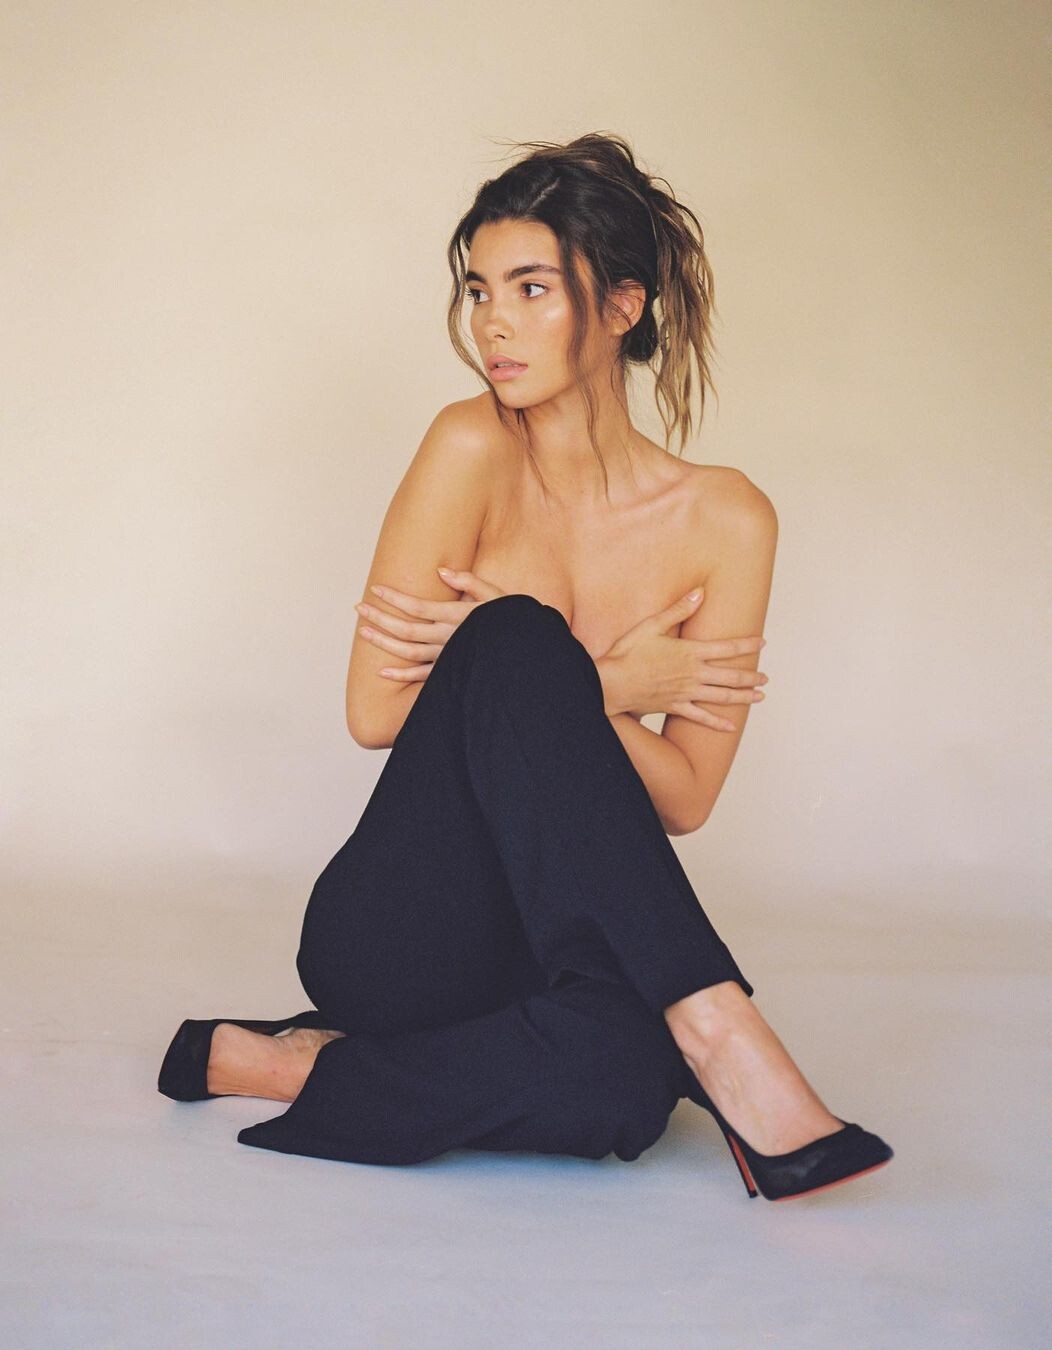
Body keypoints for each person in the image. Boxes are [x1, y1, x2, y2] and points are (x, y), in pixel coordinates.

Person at [157, 132, 892, 1200]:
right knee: (513, 636)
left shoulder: (728, 520)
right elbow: (375, 710)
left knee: (627, 1088)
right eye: (478, 289)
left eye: (532, 288)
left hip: (556, 941)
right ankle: (722, 1027)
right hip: (406, 931)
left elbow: (685, 798)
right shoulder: (471, 447)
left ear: (624, 305)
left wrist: (560, 688)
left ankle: (288, 1064)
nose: (492, 323)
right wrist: (606, 681)